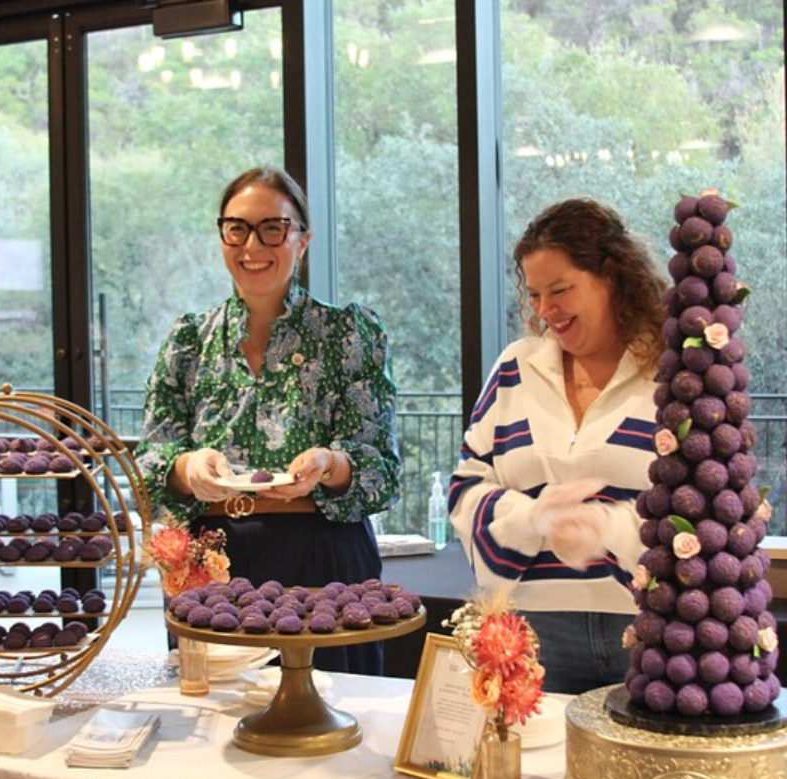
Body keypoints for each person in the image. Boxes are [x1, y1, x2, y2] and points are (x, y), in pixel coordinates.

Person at [135, 166, 400, 675]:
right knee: (217, 734)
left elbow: (383, 472)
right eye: (237, 228)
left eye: (272, 228)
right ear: (222, 237)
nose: (252, 244)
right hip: (211, 564)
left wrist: (333, 464)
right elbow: (148, 466)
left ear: (302, 240)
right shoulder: (189, 340)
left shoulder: (349, 333)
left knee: (334, 723)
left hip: (326, 563)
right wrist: (188, 468)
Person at [448, 198, 667, 694]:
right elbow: (464, 491)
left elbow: (703, 508)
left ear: (613, 276)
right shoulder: (514, 368)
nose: (546, 311)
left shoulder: (674, 373)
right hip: (531, 634)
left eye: (561, 290)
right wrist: (532, 517)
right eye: (535, 295)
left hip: (650, 632)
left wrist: (606, 527)